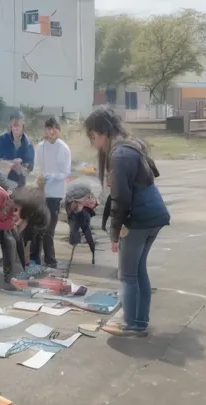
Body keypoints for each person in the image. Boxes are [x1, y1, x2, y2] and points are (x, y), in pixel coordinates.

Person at [85, 107, 170, 337]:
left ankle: (131, 323)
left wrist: (117, 231)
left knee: (128, 275)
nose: (94, 143)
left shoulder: (119, 154)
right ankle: (140, 321)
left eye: (93, 136)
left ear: (102, 132)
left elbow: (121, 198)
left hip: (139, 219)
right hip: (154, 214)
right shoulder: (129, 144)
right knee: (138, 270)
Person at [32, 116, 72, 268]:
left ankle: (50, 259)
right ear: (45, 130)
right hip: (41, 192)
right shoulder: (40, 147)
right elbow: (36, 167)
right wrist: (39, 177)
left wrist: (52, 177)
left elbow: (66, 172)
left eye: (55, 128)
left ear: (59, 130)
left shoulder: (64, 148)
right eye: (49, 128)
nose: (52, 131)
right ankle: (35, 259)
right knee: (37, 226)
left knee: (49, 228)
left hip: (55, 193)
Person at [0, 111, 35, 188]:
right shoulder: (2, 139)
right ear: (10, 126)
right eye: (14, 125)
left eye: (18, 126)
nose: (16, 128)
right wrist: (10, 163)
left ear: (23, 126)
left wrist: (20, 168)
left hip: (19, 183)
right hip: (1, 180)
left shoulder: (28, 144)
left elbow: (30, 168)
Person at [65, 180, 99, 265]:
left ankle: (74, 252)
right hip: (81, 213)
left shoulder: (73, 196)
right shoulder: (87, 194)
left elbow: (70, 210)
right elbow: (93, 204)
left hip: (78, 213)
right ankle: (93, 255)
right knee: (86, 233)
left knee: (75, 232)